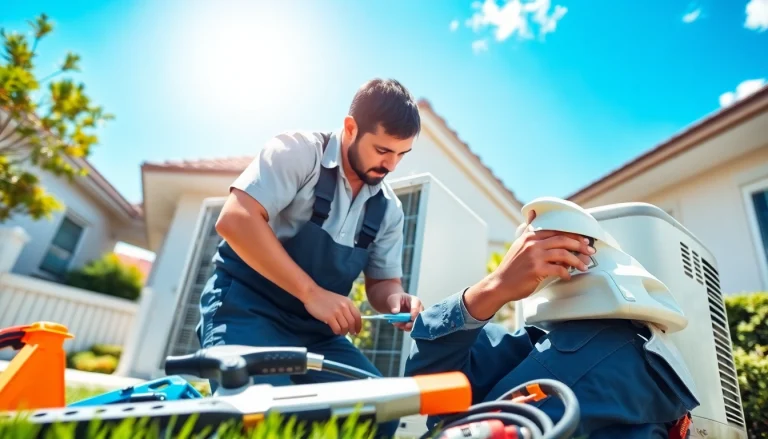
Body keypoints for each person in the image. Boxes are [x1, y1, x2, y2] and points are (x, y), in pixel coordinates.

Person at [195, 78, 425, 436]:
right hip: (244, 308)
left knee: (379, 411)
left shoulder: (389, 210)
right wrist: (311, 293)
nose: (391, 165)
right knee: (263, 417)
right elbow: (235, 220)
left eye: (401, 155)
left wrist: (397, 300)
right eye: (382, 150)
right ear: (351, 128)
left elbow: (383, 284)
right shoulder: (297, 152)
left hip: (315, 334)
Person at [404, 210, 700, 439]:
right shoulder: (533, 345)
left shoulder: (610, 351)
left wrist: (496, 287)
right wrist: (494, 288)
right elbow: (433, 393)